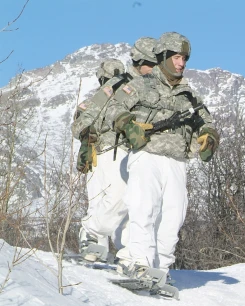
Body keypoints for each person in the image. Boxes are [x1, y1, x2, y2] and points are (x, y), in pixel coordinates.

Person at [104, 32, 218, 288]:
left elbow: (207, 122)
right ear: (164, 56)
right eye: (177, 57)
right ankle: (141, 265)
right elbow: (113, 108)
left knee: (173, 217)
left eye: (185, 59)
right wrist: (127, 123)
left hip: (177, 160)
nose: (182, 64)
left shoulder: (188, 94)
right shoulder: (141, 84)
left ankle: (161, 269)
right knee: (144, 209)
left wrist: (209, 136)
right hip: (147, 154)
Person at [71, 37, 158, 263]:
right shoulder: (117, 85)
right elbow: (84, 117)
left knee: (135, 206)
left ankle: (128, 254)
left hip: (139, 151)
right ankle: (92, 240)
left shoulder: (155, 88)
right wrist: (88, 139)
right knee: (112, 199)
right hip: (110, 148)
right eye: (151, 62)